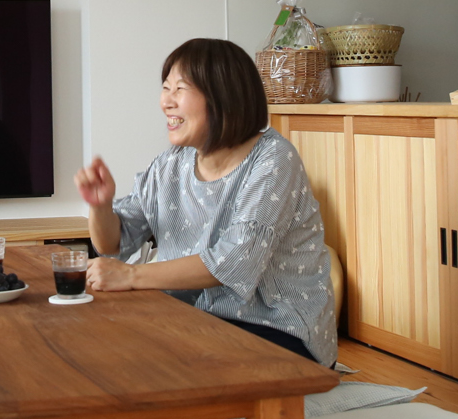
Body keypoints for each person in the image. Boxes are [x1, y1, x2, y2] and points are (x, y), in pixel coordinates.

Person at [74, 37, 336, 366]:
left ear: (223, 97)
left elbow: (235, 260)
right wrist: (100, 206)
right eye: (165, 88)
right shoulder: (171, 163)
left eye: (179, 89)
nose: (166, 102)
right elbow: (113, 243)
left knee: (143, 368)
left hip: (276, 330)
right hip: (193, 321)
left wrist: (131, 276)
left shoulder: (273, 160)